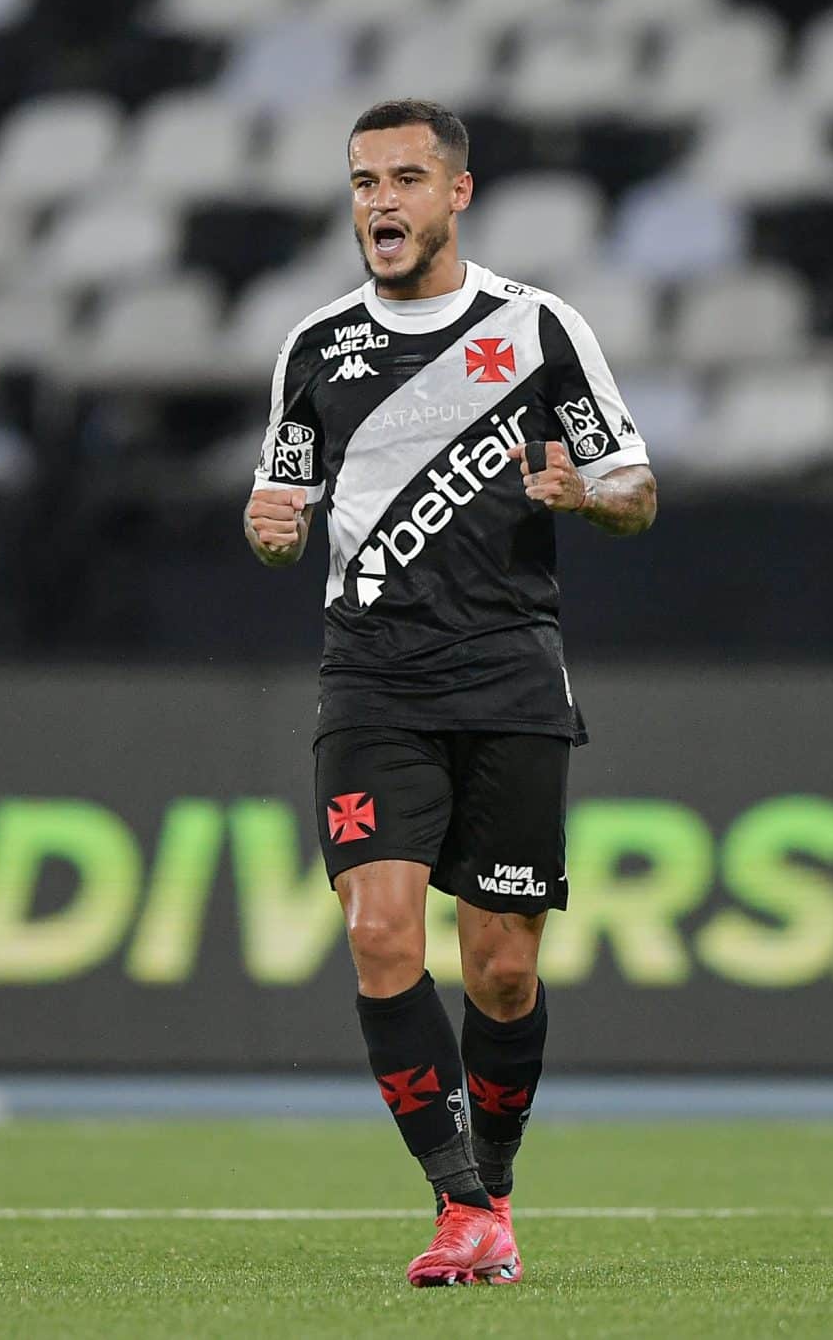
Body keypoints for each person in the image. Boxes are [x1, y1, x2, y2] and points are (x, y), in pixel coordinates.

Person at [242, 100, 657, 1287]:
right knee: (379, 931)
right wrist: (268, 530)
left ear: (456, 195)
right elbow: (282, 512)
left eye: (405, 179)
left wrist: (588, 496)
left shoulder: (536, 330)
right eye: (364, 180)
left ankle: (498, 1194)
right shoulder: (315, 347)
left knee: (502, 971)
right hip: (370, 676)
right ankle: (457, 1203)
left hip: (509, 675)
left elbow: (634, 490)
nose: (380, 201)